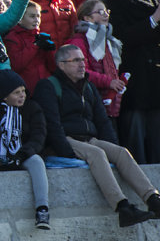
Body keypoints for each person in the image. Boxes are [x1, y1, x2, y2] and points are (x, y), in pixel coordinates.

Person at [34, 44, 160, 227]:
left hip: (89, 138)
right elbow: (52, 124)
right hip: (67, 139)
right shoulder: (48, 86)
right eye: (75, 60)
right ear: (61, 65)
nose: (82, 64)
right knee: (97, 154)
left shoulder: (88, 87)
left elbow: (102, 121)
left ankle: (153, 199)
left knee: (121, 152)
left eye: (82, 60)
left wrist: (112, 147)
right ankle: (123, 207)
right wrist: (66, 151)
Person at [105, 0, 160, 163]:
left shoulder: (147, 3)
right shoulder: (115, 5)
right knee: (135, 130)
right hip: (133, 79)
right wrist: (154, 19)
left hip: (153, 78)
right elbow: (124, 37)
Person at [0, 71, 50, 229]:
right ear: (4, 96)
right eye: (16, 93)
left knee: (37, 162)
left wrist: (22, 155)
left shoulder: (33, 108)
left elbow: (38, 136)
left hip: (25, 154)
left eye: (23, 91)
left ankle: (42, 209)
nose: (22, 96)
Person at [67, 0, 124, 121]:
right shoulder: (79, 41)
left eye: (106, 11)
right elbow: (80, 71)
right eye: (100, 12)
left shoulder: (108, 40)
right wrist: (108, 82)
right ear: (87, 18)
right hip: (91, 102)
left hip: (109, 101)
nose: (106, 15)